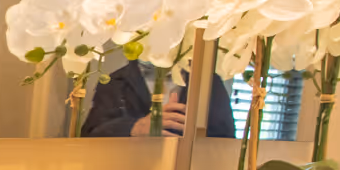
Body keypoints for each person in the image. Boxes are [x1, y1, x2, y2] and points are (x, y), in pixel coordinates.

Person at [81, 60, 236, 138]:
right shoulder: (115, 81)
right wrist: (135, 128)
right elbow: (90, 136)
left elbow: (225, 140)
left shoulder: (208, 82)